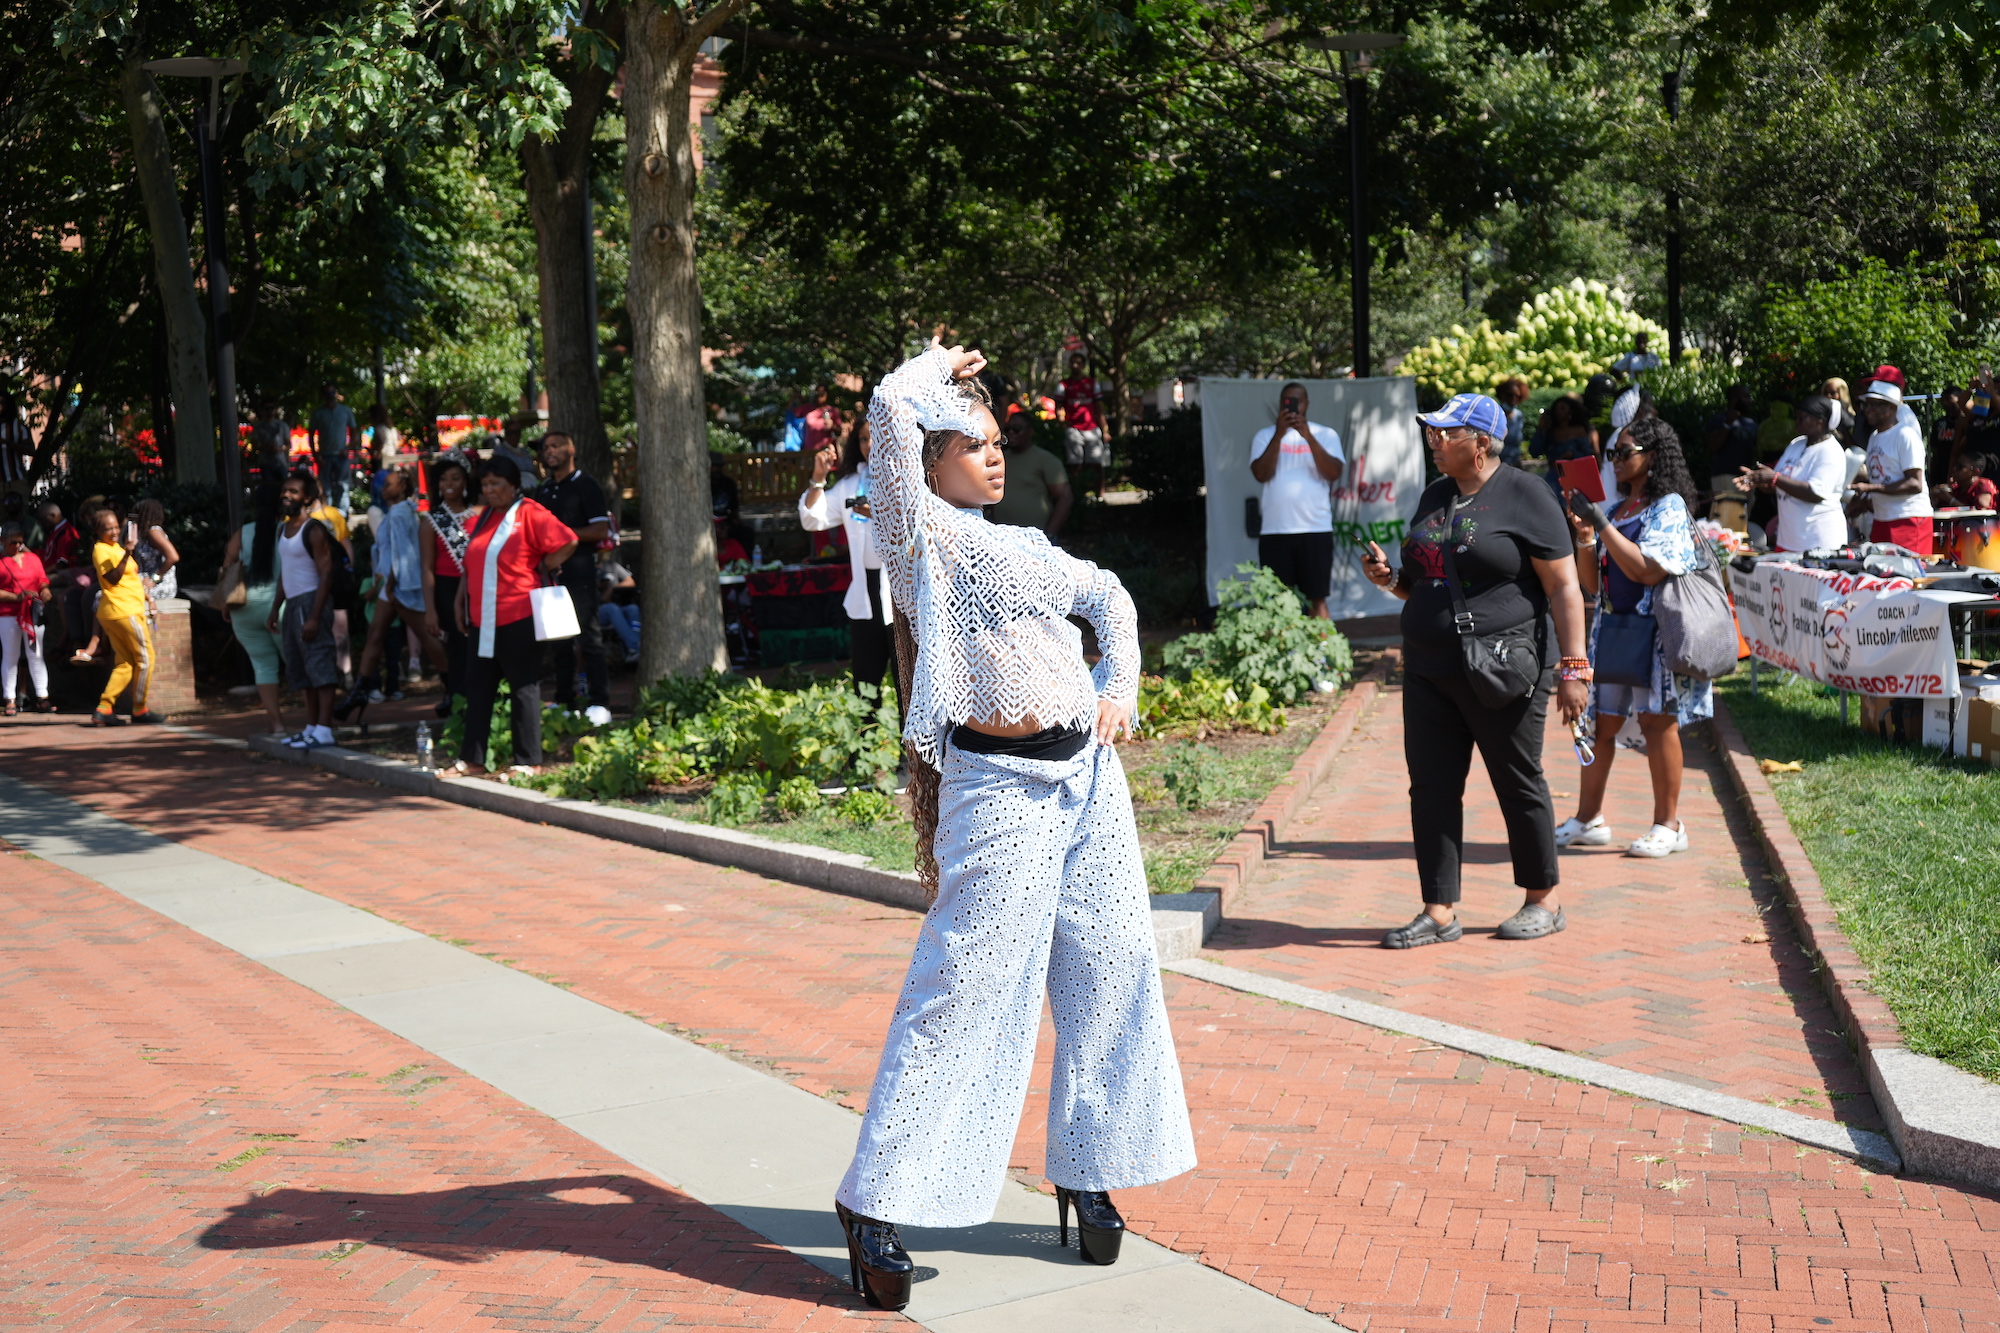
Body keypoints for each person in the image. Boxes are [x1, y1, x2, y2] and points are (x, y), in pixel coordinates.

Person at [831, 340, 1195, 1311]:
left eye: (998, 444)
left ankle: (1086, 1168)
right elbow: (884, 414)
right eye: (974, 445)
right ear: (931, 462)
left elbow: (1108, 598)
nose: (995, 459)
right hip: (998, 791)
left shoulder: (1028, 545)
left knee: (1112, 965)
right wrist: (929, 370)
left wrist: (1117, 686)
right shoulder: (921, 540)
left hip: (1088, 779)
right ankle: (874, 1202)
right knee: (962, 990)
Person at [1360, 392, 1590, 948]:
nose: (1433, 441)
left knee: (1517, 780)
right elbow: (1426, 580)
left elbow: (1564, 587)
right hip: (1429, 668)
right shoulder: (1437, 493)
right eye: (1432, 432)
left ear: (1480, 443)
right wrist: (1390, 580)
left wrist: (1574, 667)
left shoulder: (1527, 495)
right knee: (1432, 788)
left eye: (1445, 433)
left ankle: (1544, 899)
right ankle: (1438, 911)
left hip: (1501, 668)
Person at [1556, 415, 1710, 858]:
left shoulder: (1669, 507)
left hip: (1654, 630)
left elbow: (1647, 569)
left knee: (1657, 721)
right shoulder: (1621, 511)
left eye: (1626, 453)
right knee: (1598, 723)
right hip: (1614, 627)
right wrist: (1585, 537)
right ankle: (1588, 819)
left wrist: (1600, 523)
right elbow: (1592, 584)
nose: (1617, 461)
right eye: (1613, 454)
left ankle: (1669, 824)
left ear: (1654, 456)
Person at [446, 455, 576, 778]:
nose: (489, 490)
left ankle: (527, 761)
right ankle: (472, 760)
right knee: (477, 688)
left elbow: (568, 540)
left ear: (513, 485)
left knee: (523, 688)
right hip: (482, 617)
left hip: (519, 614)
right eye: (485, 484)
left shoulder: (529, 512)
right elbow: (472, 563)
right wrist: (461, 600)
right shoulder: (485, 515)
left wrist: (542, 565)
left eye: (496, 484)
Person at [335, 466, 450, 724]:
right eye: (384, 484)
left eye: (389, 484)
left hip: (398, 585)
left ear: (403, 487)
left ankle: (452, 689)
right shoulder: (405, 512)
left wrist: (391, 584)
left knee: (422, 635)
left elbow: (401, 552)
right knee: (376, 635)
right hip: (394, 584)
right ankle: (360, 693)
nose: (384, 488)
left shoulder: (398, 514)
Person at [800, 418, 900, 700]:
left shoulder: (908, 479)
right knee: (866, 683)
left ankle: (911, 744)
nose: (870, 445)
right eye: (863, 440)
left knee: (908, 685)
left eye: (875, 437)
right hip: (864, 594)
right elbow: (813, 518)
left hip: (901, 593)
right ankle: (866, 740)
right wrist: (818, 477)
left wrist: (880, 515)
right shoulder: (850, 485)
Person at [1249, 381, 1346, 619]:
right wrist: (1279, 435)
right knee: (1277, 599)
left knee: (1317, 598)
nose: (1292, 406)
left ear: (1307, 404)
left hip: (1315, 528)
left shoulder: (1325, 434)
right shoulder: (1264, 436)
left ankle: (1320, 655)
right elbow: (1261, 474)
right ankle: (1283, 654)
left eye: (1297, 401)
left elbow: (1334, 473)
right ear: (1281, 404)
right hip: (1275, 530)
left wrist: (1308, 437)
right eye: (1287, 401)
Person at [535, 431, 613, 724]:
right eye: (546, 448)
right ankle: (565, 699)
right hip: (552, 575)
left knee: (589, 637)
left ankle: (600, 702)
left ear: (572, 449)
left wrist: (563, 536)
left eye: (556, 446)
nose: (550, 451)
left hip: (580, 572)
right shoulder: (544, 490)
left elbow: (600, 530)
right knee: (559, 640)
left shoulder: (586, 484)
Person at [267, 472, 341, 748]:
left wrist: (313, 616)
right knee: (300, 669)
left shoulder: (314, 530)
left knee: (320, 665)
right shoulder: (282, 530)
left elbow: (326, 575)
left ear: (307, 498)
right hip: (293, 603)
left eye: (294, 492)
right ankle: (311, 727)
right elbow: (286, 574)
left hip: (312, 602)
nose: (287, 495)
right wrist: (275, 609)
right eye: (285, 490)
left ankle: (324, 728)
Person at [219, 476, 289, 735]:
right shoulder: (287, 530)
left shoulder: (243, 532)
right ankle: (317, 723)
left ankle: (277, 724)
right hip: (280, 606)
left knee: (263, 666)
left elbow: (228, 568)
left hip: (244, 608)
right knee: (297, 663)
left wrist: (226, 604)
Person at [1733, 396, 1848, 553]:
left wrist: (1773, 478)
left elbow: (1815, 493)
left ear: (1820, 421)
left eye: (1802, 418)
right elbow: (1779, 484)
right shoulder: (1796, 444)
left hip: (1817, 541)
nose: (1796, 422)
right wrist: (1759, 481)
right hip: (1788, 539)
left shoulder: (1830, 451)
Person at [1847, 379, 1933, 553]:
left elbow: (1915, 484)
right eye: (1866, 404)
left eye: (1875, 404)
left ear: (1892, 408)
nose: (1867, 409)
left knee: (1908, 577)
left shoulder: (1905, 435)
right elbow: (1885, 478)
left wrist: (1870, 488)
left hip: (1908, 519)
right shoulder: (1874, 437)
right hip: (1882, 518)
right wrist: (1863, 503)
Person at [420, 456, 478, 717]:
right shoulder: (431, 521)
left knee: (481, 645)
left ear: (465, 481)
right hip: (446, 590)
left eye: (455, 478)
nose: (449, 484)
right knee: (457, 648)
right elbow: (427, 568)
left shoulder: (480, 514)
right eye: (443, 479)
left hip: (477, 587)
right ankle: (459, 704)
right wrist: (430, 609)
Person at [90, 507, 157, 725]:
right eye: (107, 528)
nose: (114, 531)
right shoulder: (102, 550)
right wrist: (128, 551)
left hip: (120, 610)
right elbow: (112, 578)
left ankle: (104, 708)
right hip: (123, 611)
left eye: (116, 527)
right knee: (146, 658)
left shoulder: (115, 548)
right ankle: (139, 708)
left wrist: (146, 596)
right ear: (98, 532)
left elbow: (129, 579)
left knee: (126, 662)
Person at [986, 404, 1073, 534]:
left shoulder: (1045, 459)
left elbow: (1065, 498)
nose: (1011, 432)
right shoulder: (999, 458)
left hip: (1036, 539)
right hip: (1003, 537)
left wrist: (1050, 533)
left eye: (1017, 429)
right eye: (1008, 428)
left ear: (1030, 432)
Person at [0, 522, 52, 714]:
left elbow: (42, 579)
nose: (17, 546)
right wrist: (16, 597)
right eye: (13, 542)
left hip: (32, 612)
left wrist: (45, 590)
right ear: (2, 541)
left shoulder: (32, 558)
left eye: (20, 542)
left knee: (35, 654)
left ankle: (42, 696)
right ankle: (10, 698)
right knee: (10, 655)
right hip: (8, 613)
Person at [1054, 350, 1108, 490]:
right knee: (1075, 465)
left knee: (1097, 464)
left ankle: (1100, 495)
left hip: (1092, 429)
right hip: (1073, 429)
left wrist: (1105, 429)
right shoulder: (1063, 385)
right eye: (1072, 363)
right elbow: (1058, 407)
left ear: (1083, 365)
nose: (1075, 365)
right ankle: (1076, 495)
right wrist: (1062, 424)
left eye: (1078, 362)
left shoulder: (1092, 384)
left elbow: (1099, 407)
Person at [1704, 384, 1761, 496]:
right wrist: (1727, 425)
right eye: (1746, 397)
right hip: (1724, 478)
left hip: (1746, 479)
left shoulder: (1751, 424)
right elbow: (1713, 447)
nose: (1750, 400)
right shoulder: (1718, 421)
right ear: (1735, 399)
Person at [310, 383, 357, 514]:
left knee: (343, 486)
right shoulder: (318, 413)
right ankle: (327, 516)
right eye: (327, 393)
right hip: (324, 455)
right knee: (326, 489)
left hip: (341, 455)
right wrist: (316, 455)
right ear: (323, 395)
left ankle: (342, 517)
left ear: (336, 393)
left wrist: (348, 448)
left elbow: (354, 431)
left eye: (332, 393)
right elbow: (311, 435)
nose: (330, 396)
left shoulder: (345, 411)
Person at [130, 499, 180, 604]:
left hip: (159, 584)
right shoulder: (143, 534)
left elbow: (173, 557)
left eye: (136, 515)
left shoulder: (154, 532)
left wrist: (154, 579)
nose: (134, 519)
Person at [1933, 451, 1998, 510]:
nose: (1954, 469)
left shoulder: (1984, 485)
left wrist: (1950, 500)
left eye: (1960, 467)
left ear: (1976, 472)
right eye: (1955, 465)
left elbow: (1979, 513)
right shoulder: (1956, 488)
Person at [1494, 377, 1530, 469]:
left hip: (1514, 462)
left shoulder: (1518, 415)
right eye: (1510, 395)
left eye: (1517, 396)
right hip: (1497, 463)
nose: (1514, 398)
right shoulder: (1495, 413)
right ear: (1502, 395)